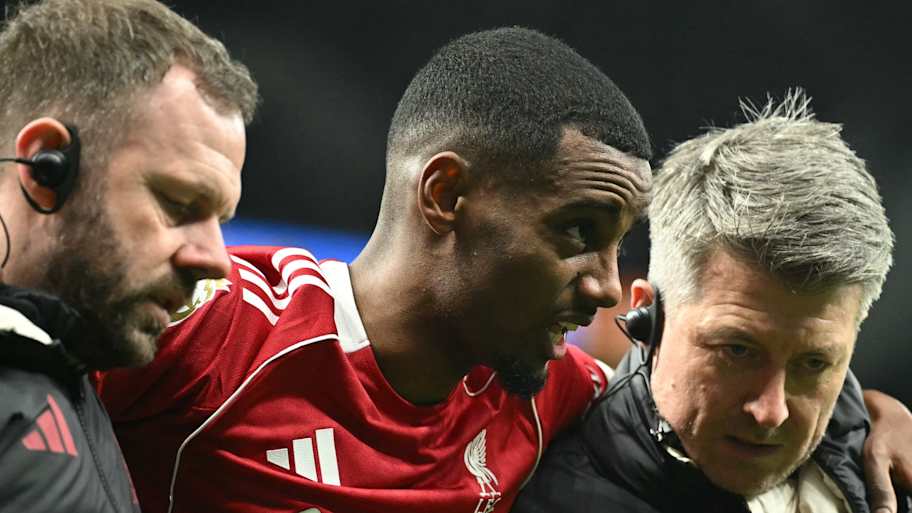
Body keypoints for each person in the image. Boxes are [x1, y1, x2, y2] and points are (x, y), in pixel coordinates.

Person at [95, 28, 912, 513]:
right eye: (577, 231)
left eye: (617, 242)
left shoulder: (555, 397)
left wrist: (865, 413)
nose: (602, 284)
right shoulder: (212, 325)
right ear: (446, 194)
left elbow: (715, 387)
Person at [513, 93, 912, 513]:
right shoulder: (569, 500)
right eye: (737, 351)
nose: (770, 412)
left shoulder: (882, 452)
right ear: (647, 319)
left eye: (813, 363)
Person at [0, 1, 258, 512]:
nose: (216, 260)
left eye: (220, 221)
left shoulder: (62, 368)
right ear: (45, 166)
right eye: (180, 204)